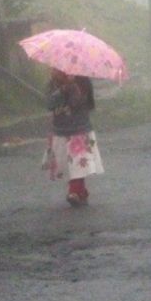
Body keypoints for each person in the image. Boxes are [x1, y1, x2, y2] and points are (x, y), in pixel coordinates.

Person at [42, 68, 104, 206]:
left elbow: (80, 103)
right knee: (68, 165)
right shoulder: (52, 84)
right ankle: (81, 191)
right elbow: (49, 104)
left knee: (78, 163)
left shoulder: (82, 81)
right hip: (61, 130)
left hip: (79, 130)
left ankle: (74, 191)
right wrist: (63, 89)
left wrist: (72, 86)